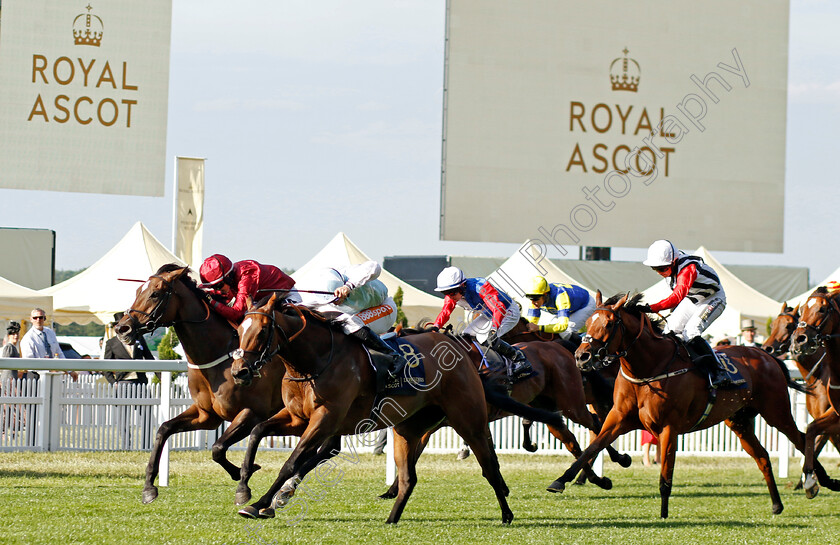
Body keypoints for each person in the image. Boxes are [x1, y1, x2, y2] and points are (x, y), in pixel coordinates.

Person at [638, 240, 731, 388]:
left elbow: (676, 298)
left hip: (713, 298)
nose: (660, 272)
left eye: (662, 268)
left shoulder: (688, 269)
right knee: (668, 331)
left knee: (691, 332)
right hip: (693, 299)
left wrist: (651, 307)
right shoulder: (671, 266)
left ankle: (718, 371)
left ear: (674, 262)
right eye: (655, 268)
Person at [296, 261, 404, 372]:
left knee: (351, 323)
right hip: (360, 312)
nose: (337, 302)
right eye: (333, 301)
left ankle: (394, 356)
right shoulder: (320, 294)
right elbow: (298, 306)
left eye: (338, 298)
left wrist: (348, 287)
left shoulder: (352, 273)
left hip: (386, 307)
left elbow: (375, 266)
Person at [432, 266, 535, 380]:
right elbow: (445, 312)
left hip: (507, 311)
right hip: (489, 313)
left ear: (462, 286)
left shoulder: (481, 287)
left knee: (485, 338)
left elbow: (499, 308)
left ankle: (520, 359)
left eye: (452, 292)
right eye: (445, 292)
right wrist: (436, 326)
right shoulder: (452, 296)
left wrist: (493, 329)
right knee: (466, 336)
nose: (449, 296)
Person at [103, 312, 155, 449]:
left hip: (140, 383)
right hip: (123, 383)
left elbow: (149, 358)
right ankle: (126, 446)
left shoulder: (139, 339)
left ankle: (146, 445)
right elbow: (105, 367)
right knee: (123, 418)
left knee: (146, 414)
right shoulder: (111, 343)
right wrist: (114, 383)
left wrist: (160, 375)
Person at [199, 254, 298, 323]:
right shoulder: (231, 280)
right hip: (260, 300)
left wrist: (211, 301)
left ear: (228, 277)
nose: (217, 290)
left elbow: (237, 313)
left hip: (286, 295)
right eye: (213, 287)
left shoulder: (247, 275)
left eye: (218, 286)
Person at [523, 276, 596, 341]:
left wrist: (539, 328)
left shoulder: (560, 297)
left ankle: (585, 347)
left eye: (535, 299)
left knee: (565, 332)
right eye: (530, 298)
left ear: (545, 294)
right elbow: (531, 324)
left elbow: (562, 327)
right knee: (549, 326)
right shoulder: (536, 298)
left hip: (585, 305)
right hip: (571, 306)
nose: (532, 302)